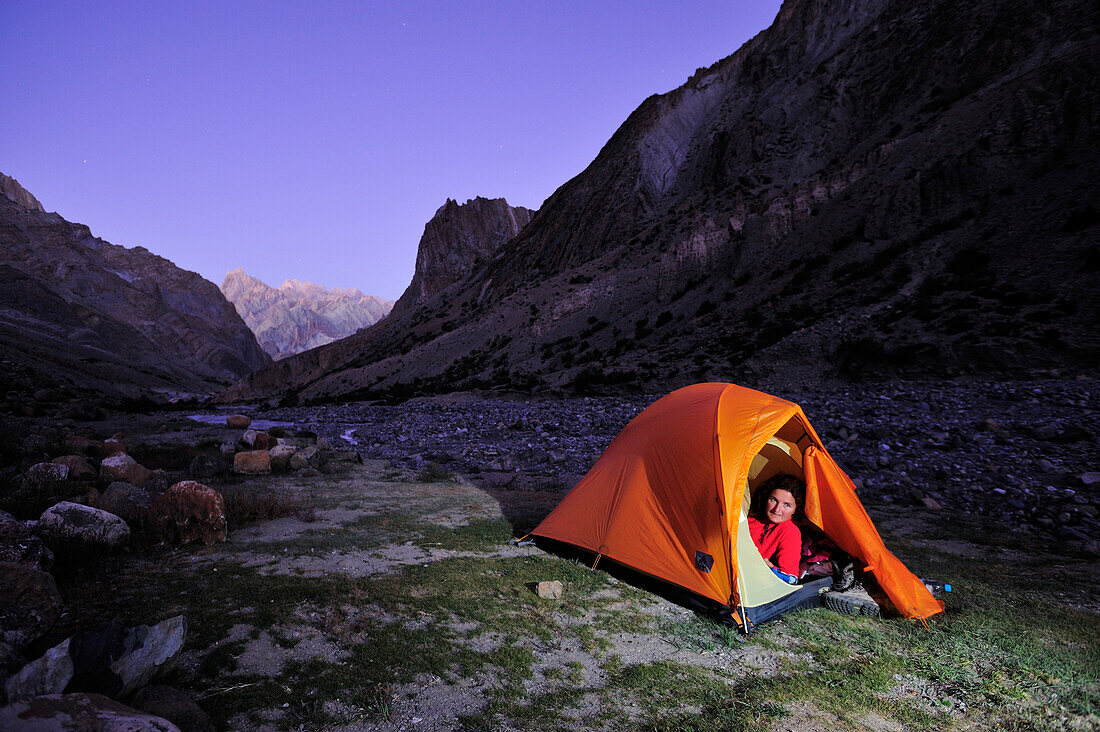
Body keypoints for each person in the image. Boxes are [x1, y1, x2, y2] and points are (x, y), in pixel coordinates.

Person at [747, 474, 805, 584]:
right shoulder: (749, 516)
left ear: (796, 509)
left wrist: (770, 569)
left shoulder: (789, 531)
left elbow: (791, 579)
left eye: (786, 505)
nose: (777, 510)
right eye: (774, 500)